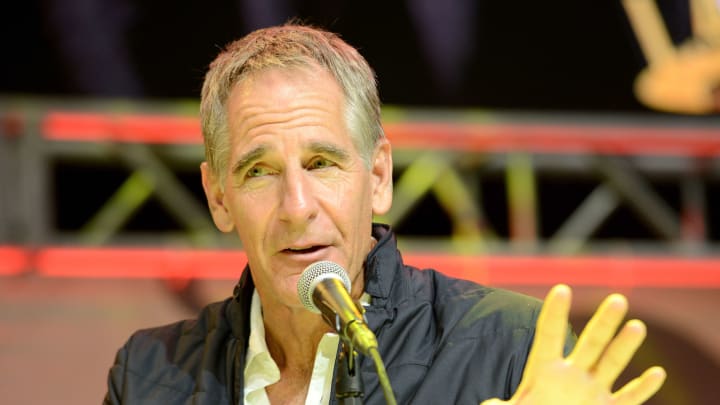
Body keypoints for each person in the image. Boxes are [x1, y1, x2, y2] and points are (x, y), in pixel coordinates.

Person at [104, 24, 666, 404]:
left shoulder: (511, 346)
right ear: (219, 197)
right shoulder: (150, 375)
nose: (297, 208)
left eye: (322, 163)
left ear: (377, 178)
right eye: (259, 171)